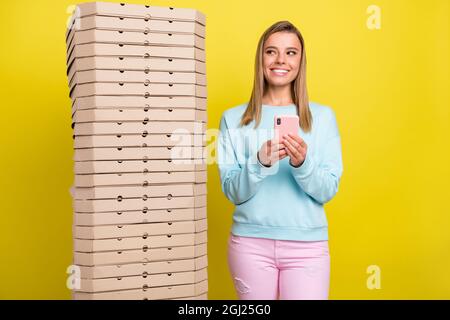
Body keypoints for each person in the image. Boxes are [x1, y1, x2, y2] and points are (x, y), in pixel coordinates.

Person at [217, 21, 343, 300]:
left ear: (301, 60)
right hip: (250, 245)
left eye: (291, 52)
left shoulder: (323, 118)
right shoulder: (232, 119)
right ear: (260, 58)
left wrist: (303, 164)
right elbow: (233, 192)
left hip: (307, 248)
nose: (280, 60)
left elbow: (327, 190)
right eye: (271, 51)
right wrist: (259, 162)